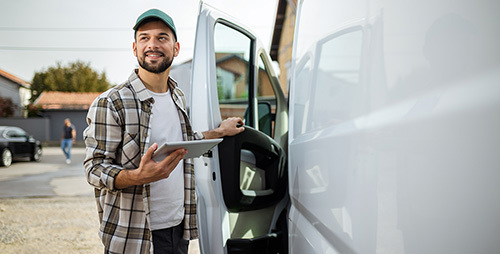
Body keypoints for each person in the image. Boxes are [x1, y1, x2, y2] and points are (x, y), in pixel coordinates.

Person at [83, 9, 244, 254]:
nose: (152, 45)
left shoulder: (177, 95)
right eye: (144, 38)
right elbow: (94, 169)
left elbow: (184, 143)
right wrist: (138, 176)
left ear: (176, 48)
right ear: (135, 48)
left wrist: (219, 132)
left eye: (161, 37)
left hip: (178, 229)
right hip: (134, 236)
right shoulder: (112, 102)